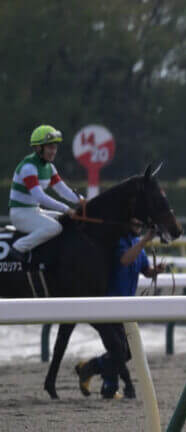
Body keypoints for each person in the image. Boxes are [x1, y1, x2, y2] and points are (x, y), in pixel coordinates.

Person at [75, 223, 165, 400]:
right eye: (136, 222)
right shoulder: (119, 242)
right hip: (107, 306)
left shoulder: (136, 241)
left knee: (127, 351)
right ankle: (110, 387)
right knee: (119, 351)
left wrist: (155, 271)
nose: (139, 226)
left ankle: (90, 368)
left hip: (124, 308)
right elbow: (125, 260)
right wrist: (145, 241)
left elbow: (145, 270)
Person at [11, 125, 84, 257]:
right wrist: (66, 209)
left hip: (34, 211)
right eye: (50, 147)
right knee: (55, 228)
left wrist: (82, 201)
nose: (54, 151)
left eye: (55, 147)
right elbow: (40, 197)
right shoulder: (28, 167)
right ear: (39, 148)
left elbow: (63, 190)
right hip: (20, 214)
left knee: (65, 220)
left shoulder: (50, 167)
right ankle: (19, 247)